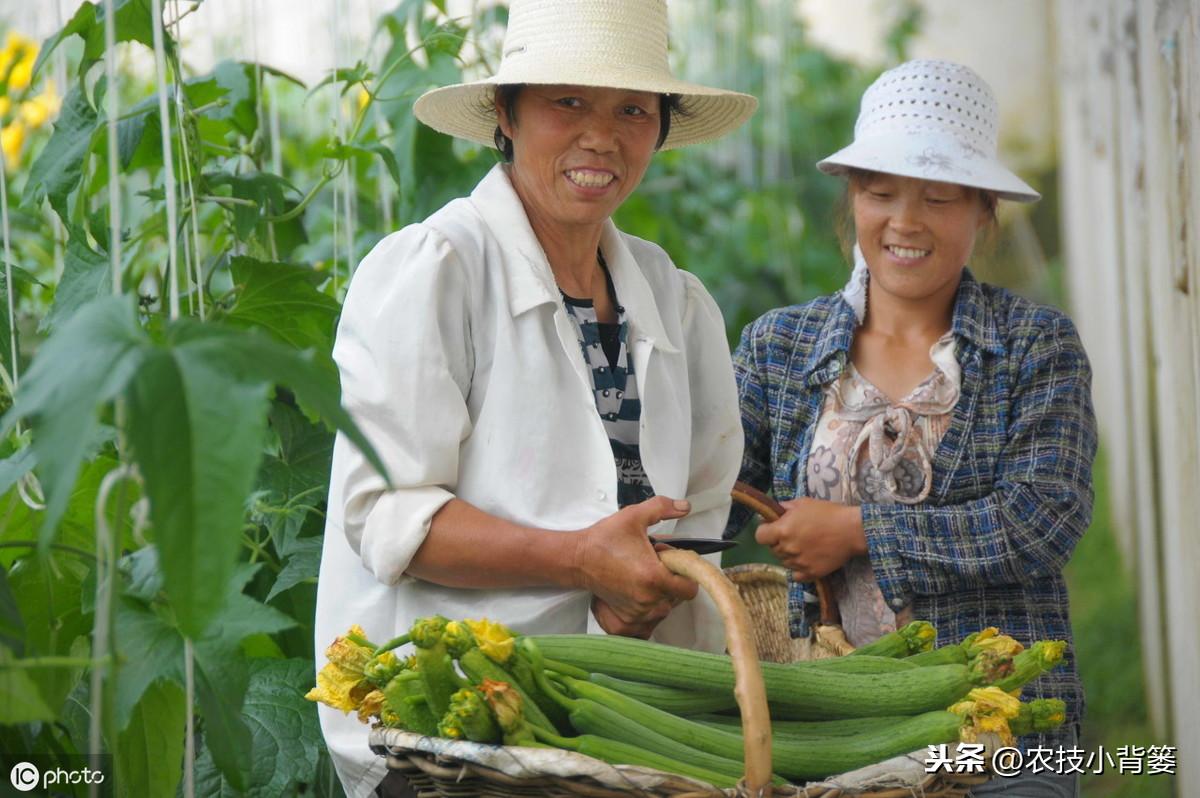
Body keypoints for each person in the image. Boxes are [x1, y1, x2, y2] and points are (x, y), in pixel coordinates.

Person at [314, 1, 757, 795]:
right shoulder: (438, 268)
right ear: (504, 114)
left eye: (632, 109)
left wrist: (644, 590)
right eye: (567, 101)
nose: (602, 135)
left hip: (624, 722)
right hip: (452, 730)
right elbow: (386, 513)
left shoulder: (673, 297)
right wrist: (580, 561)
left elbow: (699, 501)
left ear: (659, 129)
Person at [727, 60, 1096, 797]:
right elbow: (714, 484)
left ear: (982, 210)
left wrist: (860, 531)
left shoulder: (1035, 345)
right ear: (852, 200)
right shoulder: (780, 346)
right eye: (881, 190)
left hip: (999, 731)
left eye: (940, 195)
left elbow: (1044, 516)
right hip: (831, 724)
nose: (905, 220)